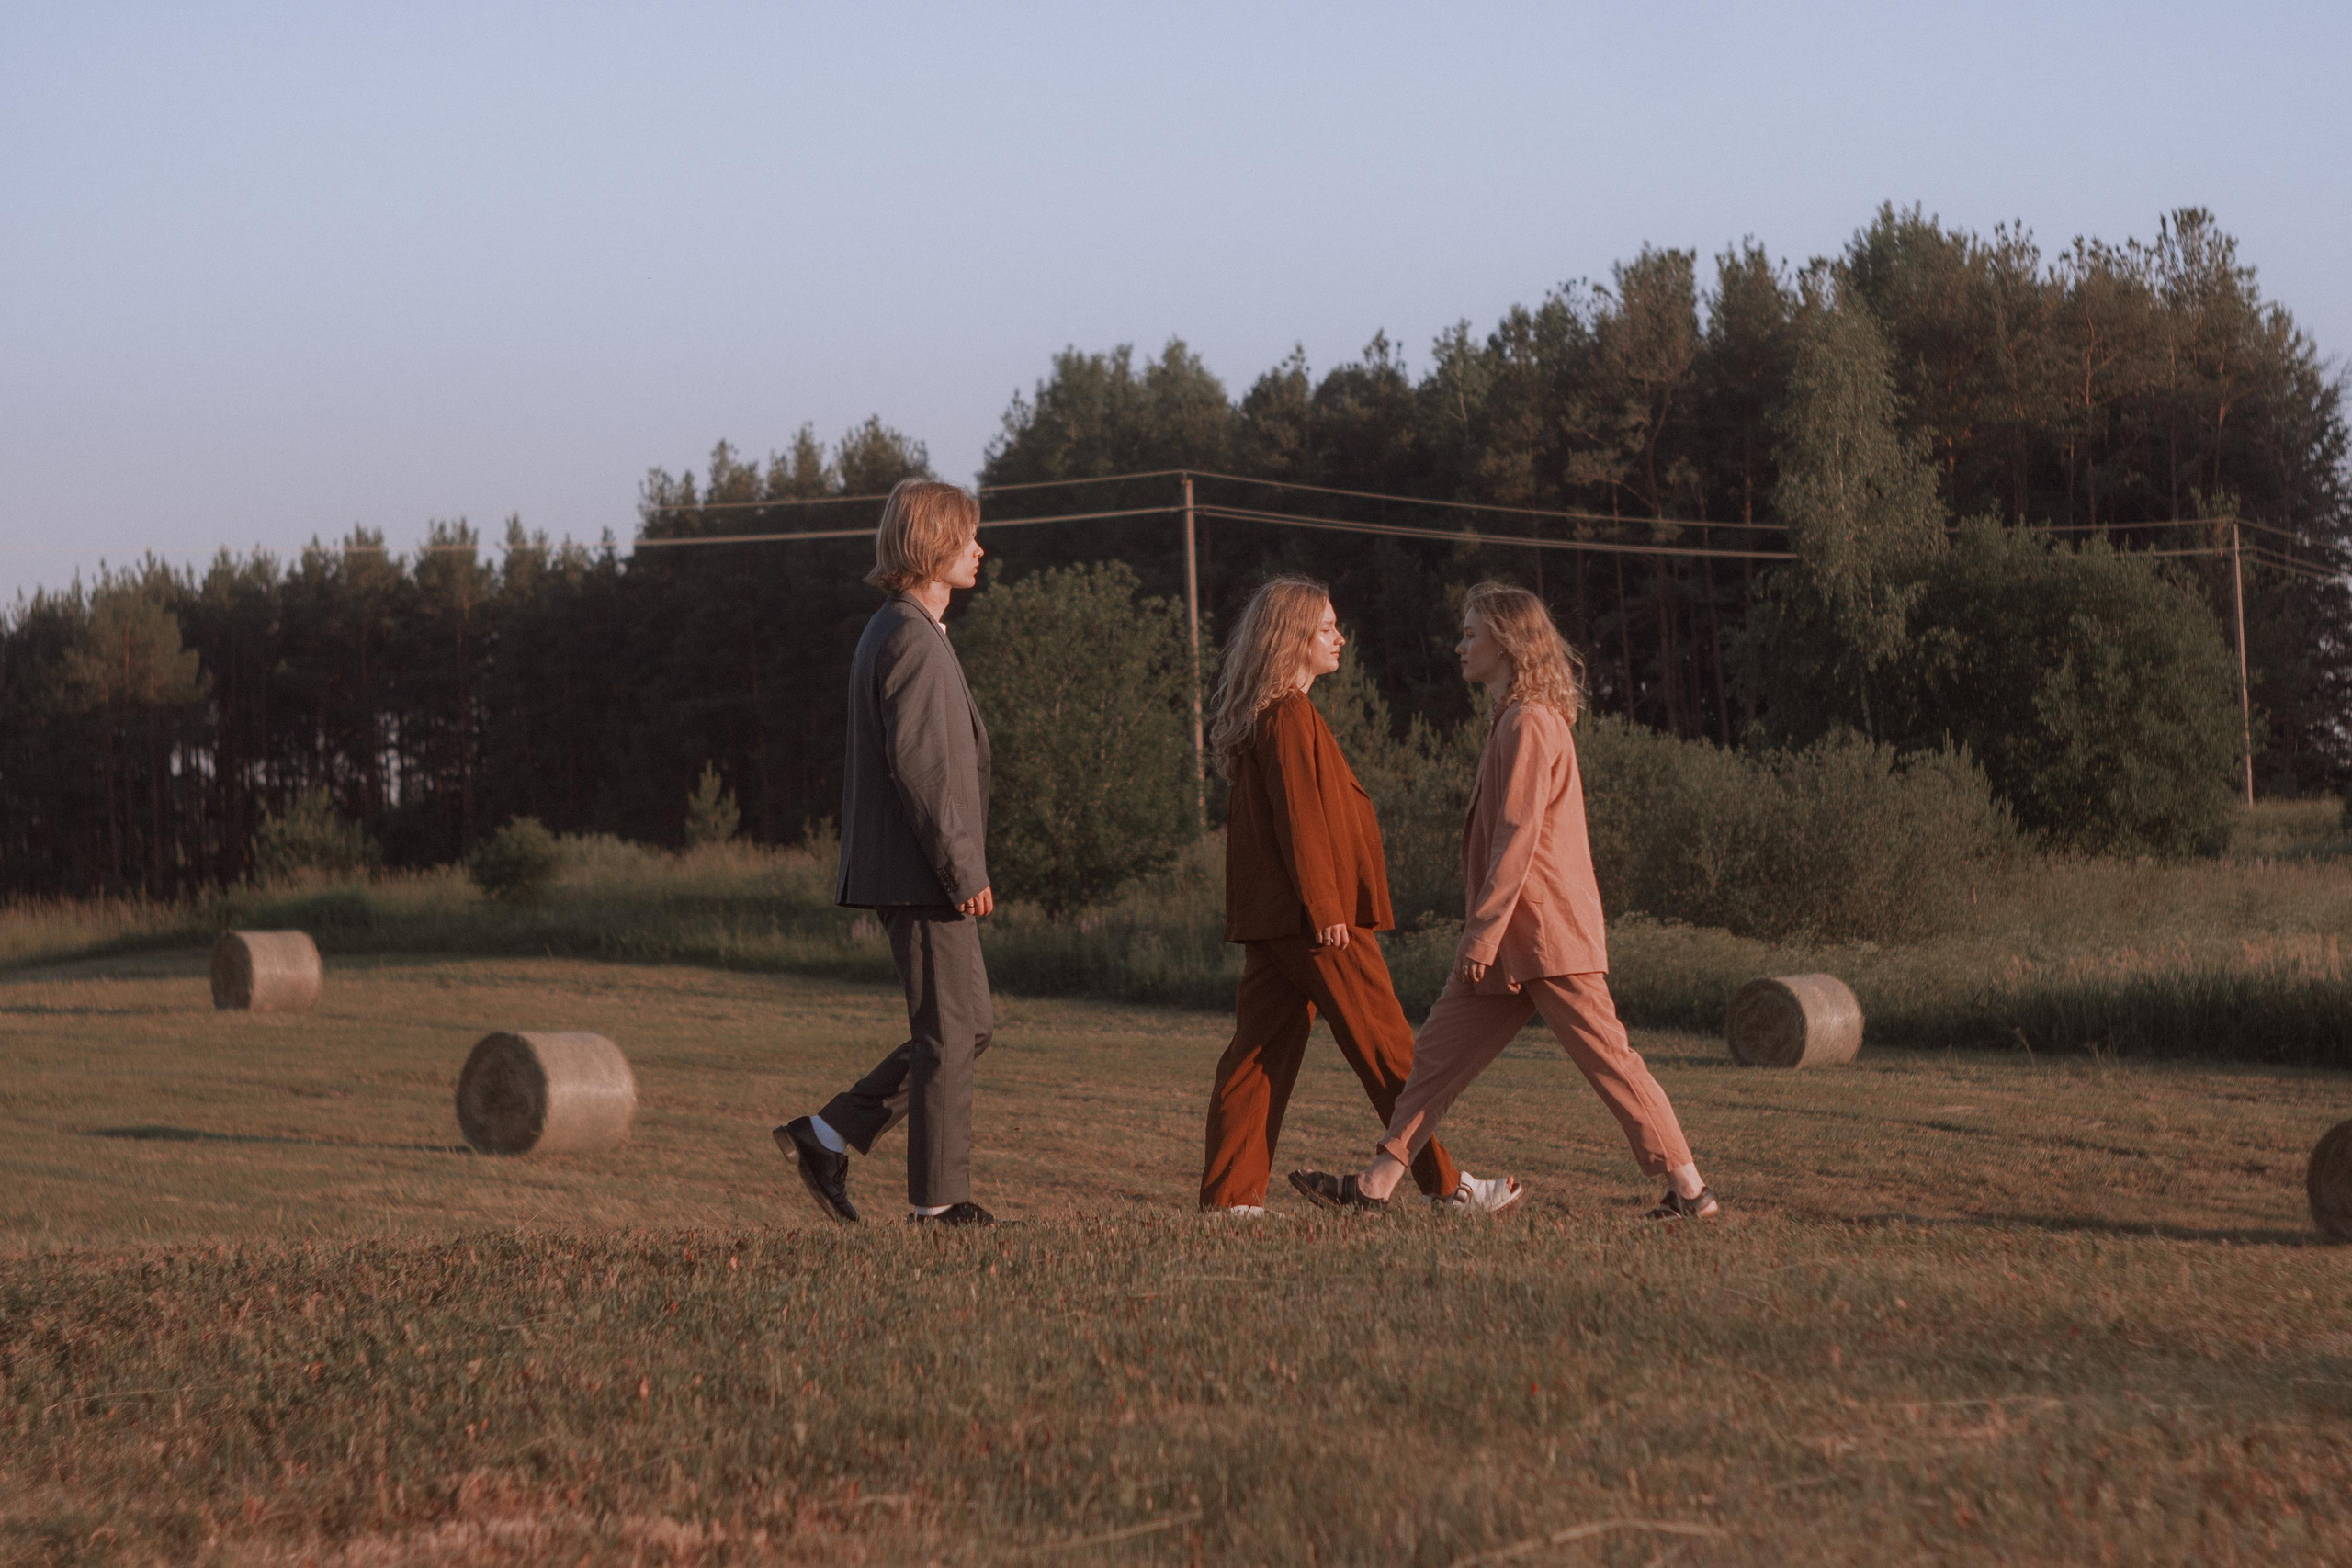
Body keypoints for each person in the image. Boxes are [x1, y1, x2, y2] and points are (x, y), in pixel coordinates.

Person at [1289, 581, 1718, 1221]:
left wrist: (1479, 937)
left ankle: (1690, 1191)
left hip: (1544, 938)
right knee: (1435, 1054)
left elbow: (1517, 842)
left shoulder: (1529, 723)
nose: (1460, 645)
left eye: (1470, 634)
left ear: (1507, 642)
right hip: (1512, 943)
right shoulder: (1512, 721)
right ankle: (1376, 1183)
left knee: (1612, 1064)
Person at [1199, 575, 1517, 1215]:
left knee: (1256, 1056)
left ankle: (1231, 1201)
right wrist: (1327, 909)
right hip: (1318, 921)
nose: (1339, 637)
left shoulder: (1277, 713)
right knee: (1392, 1049)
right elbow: (1301, 821)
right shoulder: (1287, 714)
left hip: (1282, 921)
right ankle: (1447, 1186)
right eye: (1326, 628)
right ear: (1293, 638)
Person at [775, 479, 1004, 1227]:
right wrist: (963, 869)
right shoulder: (906, 635)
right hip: (921, 873)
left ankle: (829, 1133)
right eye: (968, 536)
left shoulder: (905, 628)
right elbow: (925, 771)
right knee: (949, 1032)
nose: (979, 549)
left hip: (919, 870)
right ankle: (935, 1206)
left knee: (967, 1028)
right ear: (934, 544)